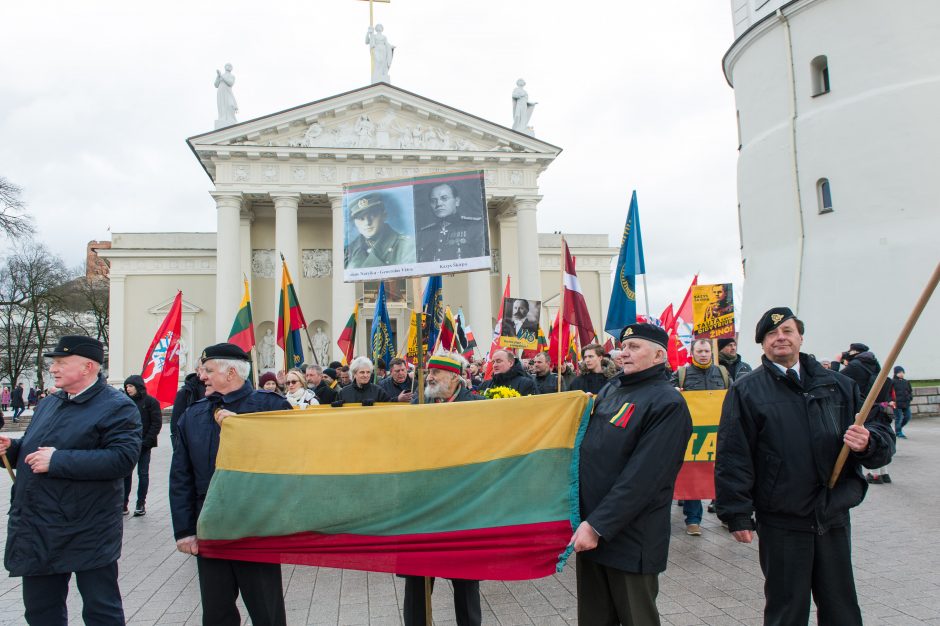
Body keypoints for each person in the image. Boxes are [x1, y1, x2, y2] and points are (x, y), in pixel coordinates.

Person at [715, 307, 895, 626]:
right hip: (782, 519)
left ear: (800, 336)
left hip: (832, 513)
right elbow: (733, 454)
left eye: (787, 330)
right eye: (771, 334)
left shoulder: (838, 384)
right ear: (762, 344)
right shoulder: (747, 390)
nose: (780, 337)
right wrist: (737, 513)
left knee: (841, 608)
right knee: (786, 610)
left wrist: (868, 442)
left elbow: (881, 435)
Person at [0, 336, 141, 624]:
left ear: (88, 366)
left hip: (88, 527)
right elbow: (32, 448)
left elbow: (122, 459)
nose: (54, 368)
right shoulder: (51, 402)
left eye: (62, 362)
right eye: (54, 363)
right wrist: (10, 449)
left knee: (101, 610)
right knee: (41, 612)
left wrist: (58, 461)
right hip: (38, 527)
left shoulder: (117, 406)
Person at [570, 323, 692, 625]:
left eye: (634, 347)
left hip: (630, 539)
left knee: (636, 618)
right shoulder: (612, 389)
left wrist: (597, 526)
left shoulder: (667, 403)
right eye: (623, 347)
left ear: (659, 355)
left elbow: (643, 479)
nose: (624, 353)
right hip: (594, 532)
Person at [170, 343, 291, 626]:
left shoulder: (272, 407)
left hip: (257, 525)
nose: (203, 376)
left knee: (266, 610)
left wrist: (245, 430)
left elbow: (291, 459)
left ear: (231, 372)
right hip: (211, 524)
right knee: (216, 611)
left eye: (209, 370)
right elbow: (181, 476)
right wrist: (185, 530)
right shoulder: (194, 415)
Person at [403, 353, 484, 626]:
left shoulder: (478, 407)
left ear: (454, 377)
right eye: (429, 371)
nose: (431, 377)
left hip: (463, 507)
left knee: (466, 582)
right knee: (417, 583)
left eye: (437, 372)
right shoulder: (417, 405)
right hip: (422, 507)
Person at [670, 338, 729, 535]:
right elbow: (666, 396)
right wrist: (674, 393)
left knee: (721, 474)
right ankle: (693, 520)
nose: (703, 354)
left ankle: (726, 515)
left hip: (718, 433)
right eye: (699, 351)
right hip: (693, 434)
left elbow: (734, 396)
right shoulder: (681, 374)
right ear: (692, 352)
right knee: (693, 475)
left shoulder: (722, 373)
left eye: (706, 351)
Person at [840, 342, 895, 484]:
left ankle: (874, 475)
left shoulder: (855, 366)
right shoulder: (874, 364)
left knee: (864, 438)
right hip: (880, 407)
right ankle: (884, 473)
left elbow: (836, 381)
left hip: (862, 407)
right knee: (878, 438)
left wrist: (836, 363)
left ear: (855, 352)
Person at [415, 182, 487, 262]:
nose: (438, 204)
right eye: (433, 200)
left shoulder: (473, 226)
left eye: (444, 198)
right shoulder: (425, 233)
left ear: (457, 201)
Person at [123, 374, 163, 517]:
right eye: (126, 386)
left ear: (138, 387)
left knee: (143, 474)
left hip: (144, 445)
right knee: (125, 474)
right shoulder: (124, 402)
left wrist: (146, 441)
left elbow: (156, 423)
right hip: (128, 445)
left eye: (131, 386)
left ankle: (141, 504)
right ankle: (123, 504)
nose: (128, 389)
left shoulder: (151, 402)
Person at [345, 194, 416, 269]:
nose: (367, 223)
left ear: (384, 215)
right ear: (355, 222)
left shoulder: (407, 246)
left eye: (372, 215)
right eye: (361, 218)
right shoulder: (348, 251)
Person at [170, 370, 206, 450]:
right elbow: (176, 425)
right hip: (191, 445)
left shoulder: (219, 390)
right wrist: (178, 448)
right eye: (203, 368)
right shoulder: (185, 392)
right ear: (197, 370)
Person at [214, 63, 238, 128]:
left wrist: (221, 76)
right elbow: (216, 85)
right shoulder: (221, 75)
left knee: (230, 105)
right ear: (225, 67)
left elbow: (230, 83)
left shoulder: (232, 76)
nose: (229, 67)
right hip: (221, 92)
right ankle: (222, 118)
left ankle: (231, 119)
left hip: (228, 92)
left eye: (230, 66)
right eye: (227, 65)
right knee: (222, 105)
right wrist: (218, 76)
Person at [892, 366, 913, 438]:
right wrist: (890, 401)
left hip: (905, 403)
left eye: (902, 372)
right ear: (895, 373)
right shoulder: (892, 382)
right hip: (896, 403)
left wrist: (910, 398)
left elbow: (910, 391)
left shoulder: (906, 382)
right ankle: (898, 432)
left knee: (908, 416)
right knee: (899, 417)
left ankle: (898, 428)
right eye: (899, 372)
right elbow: (889, 392)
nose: (901, 374)